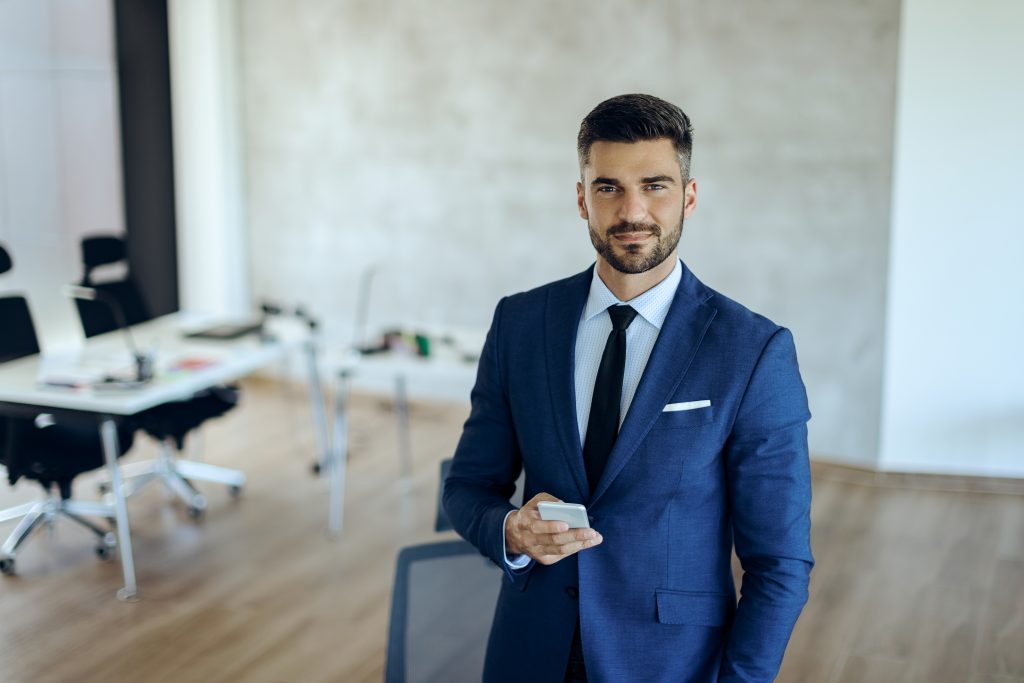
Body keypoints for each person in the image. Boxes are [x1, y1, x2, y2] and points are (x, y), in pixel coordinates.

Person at [443, 93, 813, 683]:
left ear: (689, 197)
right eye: (609, 187)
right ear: (581, 198)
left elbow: (779, 564)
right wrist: (510, 530)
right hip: (529, 649)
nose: (632, 211)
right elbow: (467, 487)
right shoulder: (520, 322)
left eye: (656, 186)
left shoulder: (753, 350)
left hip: (669, 662)